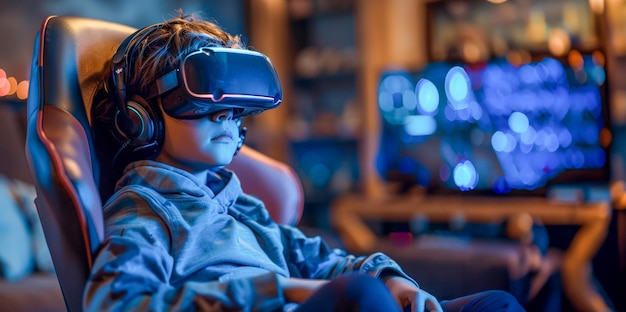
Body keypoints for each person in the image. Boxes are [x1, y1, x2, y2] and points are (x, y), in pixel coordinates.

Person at [84, 10, 525, 312]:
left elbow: (323, 262)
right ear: (139, 119)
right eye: (201, 95)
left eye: (233, 101)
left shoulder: (243, 207)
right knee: (360, 298)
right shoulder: (143, 208)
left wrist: (392, 278)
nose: (225, 114)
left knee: (495, 304)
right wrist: (277, 290)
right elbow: (117, 302)